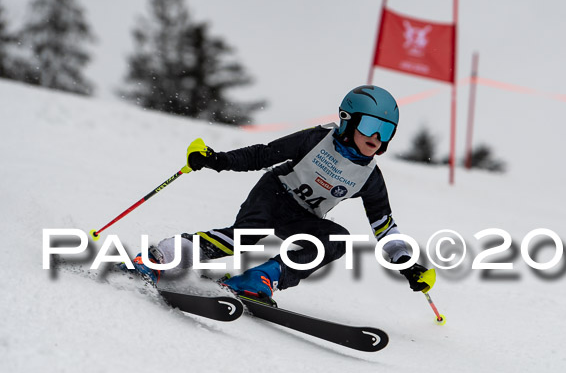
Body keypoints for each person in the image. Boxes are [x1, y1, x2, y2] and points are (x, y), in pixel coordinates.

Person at [131, 85, 435, 300]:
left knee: (337, 239)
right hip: (274, 193)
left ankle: (259, 278)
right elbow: (263, 154)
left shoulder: (370, 177)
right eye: (371, 126)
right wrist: (217, 160)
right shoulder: (316, 140)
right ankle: (162, 257)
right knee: (245, 236)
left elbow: (384, 226)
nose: (378, 138)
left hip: (303, 218)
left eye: (387, 131)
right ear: (348, 120)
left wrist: (407, 265)